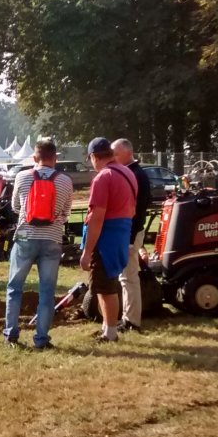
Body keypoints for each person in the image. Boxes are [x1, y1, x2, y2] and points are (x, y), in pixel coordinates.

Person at [2, 138, 74, 349]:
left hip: (25, 236)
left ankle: (11, 334)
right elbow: (67, 212)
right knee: (47, 290)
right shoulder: (65, 181)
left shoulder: (22, 176)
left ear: (35, 157)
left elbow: (15, 206)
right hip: (51, 238)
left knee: (15, 287)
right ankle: (41, 339)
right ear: (55, 158)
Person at [80, 137, 138, 342]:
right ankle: (106, 327)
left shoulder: (103, 178)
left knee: (105, 288)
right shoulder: (128, 173)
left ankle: (111, 333)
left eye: (91, 159)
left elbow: (97, 218)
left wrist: (87, 253)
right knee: (109, 283)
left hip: (106, 240)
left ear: (95, 157)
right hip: (122, 235)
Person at [112, 138, 152, 332]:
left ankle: (132, 321)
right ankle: (129, 318)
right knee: (126, 277)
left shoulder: (135, 175)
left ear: (128, 153)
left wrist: (128, 240)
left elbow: (136, 209)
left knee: (129, 277)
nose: (113, 158)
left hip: (131, 232)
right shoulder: (134, 173)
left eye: (115, 154)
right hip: (131, 231)